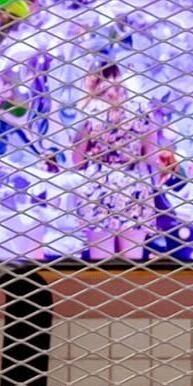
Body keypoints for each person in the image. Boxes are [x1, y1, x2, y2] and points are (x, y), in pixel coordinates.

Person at [68, 64, 162, 262]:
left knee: (102, 262)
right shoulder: (142, 110)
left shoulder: (89, 111)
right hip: (134, 184)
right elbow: (151, 155)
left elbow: (77, 160)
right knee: (134, 261)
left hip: (97, 186)